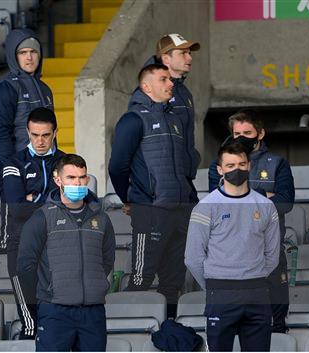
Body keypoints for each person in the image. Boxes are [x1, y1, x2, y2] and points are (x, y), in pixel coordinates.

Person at [108, 63, 196, 318]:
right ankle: (129, 331)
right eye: (163, 79)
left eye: (170, 79)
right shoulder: (133, 120)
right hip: (151, 212)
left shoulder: (174, 119)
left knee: (173, 283)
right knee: (141, 279)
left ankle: (167, 334)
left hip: (180, 213)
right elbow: (117, 166)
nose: (170, 84)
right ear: (146, 87)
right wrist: (131, 199)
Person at [185, 142, 280, 352]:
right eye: (229, 165)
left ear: (249, 166)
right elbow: (192, 257)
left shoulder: (266, 206)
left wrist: (253, 277)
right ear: (220, 169)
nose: (236, 169)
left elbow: (273, 256)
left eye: (241, 164)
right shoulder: (205, 207)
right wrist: (215, 285)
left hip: (257, 294)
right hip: (221, 294)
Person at [208, 110, 295, 333]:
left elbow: (285, 203)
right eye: (237, 133)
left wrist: (243, 196)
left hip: (269, 249)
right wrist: (265, 196)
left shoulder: (277, 163)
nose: (241, 137)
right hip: (231, 253)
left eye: (247, 132)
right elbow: (218, 205)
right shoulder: (217, 165)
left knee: (276, 323)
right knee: (235, 326)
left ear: (260, 133)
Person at [17, 154, 115, 351]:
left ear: (87, 179)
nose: (77, 183)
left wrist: (92, 285)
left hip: (93, 312)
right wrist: (47, 293)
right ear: (58, 180)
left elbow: (106, 261)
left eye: (81, 177)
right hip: (54, 311)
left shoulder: (102, 219)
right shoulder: (41, 217)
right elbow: (25, 266)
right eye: (71, 177)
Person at [0, 28, 54, 254]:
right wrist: (11, 168)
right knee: (12, 233)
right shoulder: (3, 89)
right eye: (23, 52)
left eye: (33, 52)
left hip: (44, 167)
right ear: (13, 57)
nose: (29, 57)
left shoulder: (46, 90)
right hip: (14, 167)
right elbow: (0, 133)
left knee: (44, 231)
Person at [3, 107, 65, 339]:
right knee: (30, 324)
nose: (40, 141)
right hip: (21, 246)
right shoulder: (13, 162)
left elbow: (76, 201)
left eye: (46, 135)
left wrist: (33, 198)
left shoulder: (66, 161)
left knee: (57, 318)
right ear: (27, 132)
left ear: (55, 132)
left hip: (57, 244)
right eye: (34, 135)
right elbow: (17, 208)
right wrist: (52, 196)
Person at [145, 33, 202, 186]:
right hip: (163, 181)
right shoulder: (152, 90)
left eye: (189, 53)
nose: (189, 58)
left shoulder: (184, 91)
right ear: (166, 59)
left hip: (184, 177)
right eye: (183, 53)